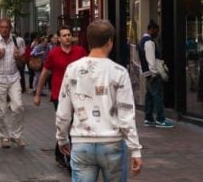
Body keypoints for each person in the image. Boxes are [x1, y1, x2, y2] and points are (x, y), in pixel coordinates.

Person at [56, 20, 142, 182]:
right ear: (110, 42)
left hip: (82, 142)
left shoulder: (72, 69)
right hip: (112, 142)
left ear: (88, 41)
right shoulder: (119, 72)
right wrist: (135, 149)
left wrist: (62, 138)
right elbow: (126, 114)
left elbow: (63, 111)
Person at [34, 26, 87, 169]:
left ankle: (60, 152)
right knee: (66, 124)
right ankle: (68, 156)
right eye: (64, 35)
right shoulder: (53, 53)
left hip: (78, 94)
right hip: (59, 95)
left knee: (73, 125)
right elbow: (45, 72)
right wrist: (38, 94)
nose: (67, 37)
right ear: (59, 38)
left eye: (69, 35)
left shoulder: (80, 51)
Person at [0, 18, 27, 149]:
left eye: (7, 27)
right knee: (0, 110)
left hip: (13, 77)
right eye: (2, 27)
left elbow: (23, 62)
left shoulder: (18, 42)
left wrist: (18, 57)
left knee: (18, 106)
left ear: (10, 28)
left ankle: (16, 134)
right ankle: (4, 136)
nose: (4, 30)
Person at [139, 21, 174, 128]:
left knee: (149, 96)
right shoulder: (149, 42)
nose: (157, 33)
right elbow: (151, 60)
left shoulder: (142, 41)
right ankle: (160, 119)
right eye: (156, 30)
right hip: (152, 73)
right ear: (151, 29)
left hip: (147, 73)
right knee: (158, 96)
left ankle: (148, 118)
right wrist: (154, 73)